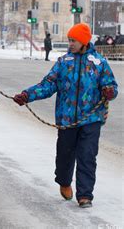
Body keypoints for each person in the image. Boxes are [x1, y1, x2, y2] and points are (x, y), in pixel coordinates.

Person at [13, 23, 118, 208]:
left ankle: (85, 195)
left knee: (87, 156)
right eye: (69, 40)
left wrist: (110, 91)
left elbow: (111, 85)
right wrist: (27, 95)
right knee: (64, 154)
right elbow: (48, 84)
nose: (70, 44)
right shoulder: (63, 62)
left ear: (83, 41)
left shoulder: (99, 62)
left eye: (73, 40)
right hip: (67, 119)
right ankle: (64, 181)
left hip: (91, 119)